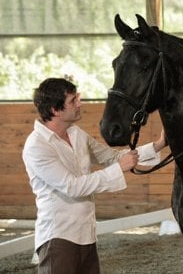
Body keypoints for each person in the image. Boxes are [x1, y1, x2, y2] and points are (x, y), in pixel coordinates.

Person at [22, 78, 167, 274]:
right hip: (58, 237)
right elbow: (72, 187)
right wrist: (119, 168)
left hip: (86, 234)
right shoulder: (36, 146)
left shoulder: (76, 134)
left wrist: (158, 144)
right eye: (73, 101)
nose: (80, 104)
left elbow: (113, 157)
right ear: (56, 110)